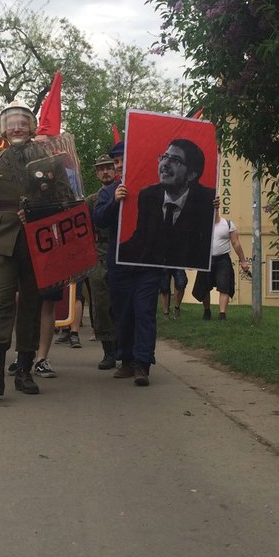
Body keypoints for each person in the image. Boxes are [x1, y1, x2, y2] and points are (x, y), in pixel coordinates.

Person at [0, 100, 67, 397]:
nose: (17, 127)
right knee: (2, 300)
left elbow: (65, 201)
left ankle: (24, 369)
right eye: (11, 123)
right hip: (1, 238)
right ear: (3, 131)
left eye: (22, 122)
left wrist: (38, 212)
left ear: (32, 128)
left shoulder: (50, 161)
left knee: (31, 303)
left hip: (37, 240)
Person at [94, 173, 162, 387]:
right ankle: (125, 360)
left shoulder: (155, 187)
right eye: (116, 162)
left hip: (148, 263)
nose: (119, 165)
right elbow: (99, 219)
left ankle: (142, 363)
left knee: (144, 311)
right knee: (122, 314)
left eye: (121, 160)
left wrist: (210, 207)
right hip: (121, 262)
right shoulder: (107, 191)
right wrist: (115, 201)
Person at [118, 138, 215, 270]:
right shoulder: (148, 195)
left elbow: (204, 251)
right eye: (164, 157)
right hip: (151, 272)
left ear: (192, 174)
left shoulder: (208, 200)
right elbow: (140, 239)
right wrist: (114, 254)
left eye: (176, 160)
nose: (165, 164)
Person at [86, 153, 119, 369]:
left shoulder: (123, 193)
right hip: (98, 253)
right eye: (101, 169)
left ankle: (123, 346)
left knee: (120, 301)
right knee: (100, 303)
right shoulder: (91, 200)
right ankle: (108, 350)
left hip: (118, 251)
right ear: (97, 174)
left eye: (109, 167)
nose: (105, 171)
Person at [193, 206, 251, 320]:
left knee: (224, 285)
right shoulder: (203, 225)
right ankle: (207, 311)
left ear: (217, 210)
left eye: (214, 209)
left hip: (223, 259)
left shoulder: (228, 224)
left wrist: (243, 261)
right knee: (204, 286)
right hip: (206, 260)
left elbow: (236, 243)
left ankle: (222, 314)